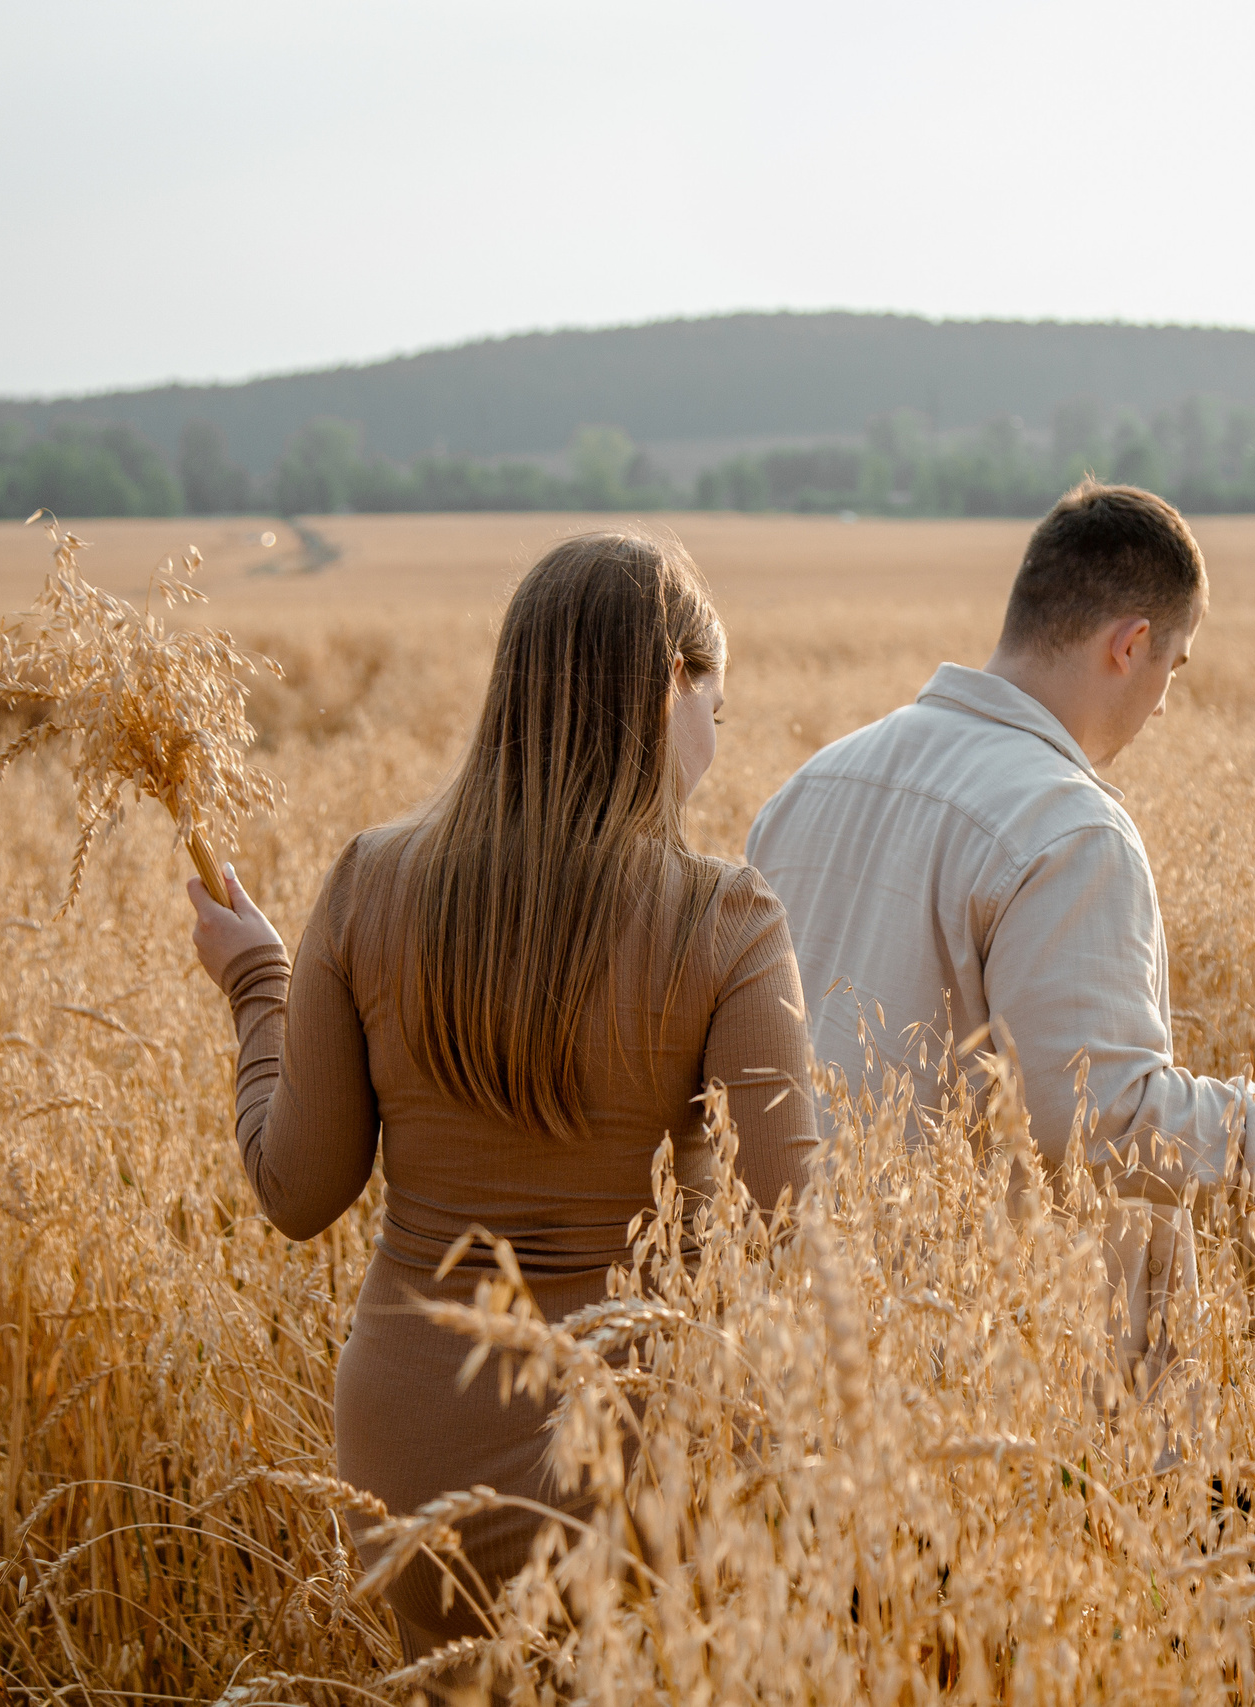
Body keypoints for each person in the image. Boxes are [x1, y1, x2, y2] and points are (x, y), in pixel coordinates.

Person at [186, 532, 818, 1654]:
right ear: (672, 684)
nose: (719, 738)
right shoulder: (725, 921)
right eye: (719, 702)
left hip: (402, 1441)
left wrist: (255, 981)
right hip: (624, 1436)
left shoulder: (369, 880)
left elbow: (295, 1192)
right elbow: (789, 1236)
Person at [746, 479, 1255, 1383]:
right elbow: (1102, 1123)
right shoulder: (1070, 829)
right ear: (1133, 644)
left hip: (797, 1335)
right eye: (1176, 666)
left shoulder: (810, 785)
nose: (1163, 701)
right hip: (977, 1368)